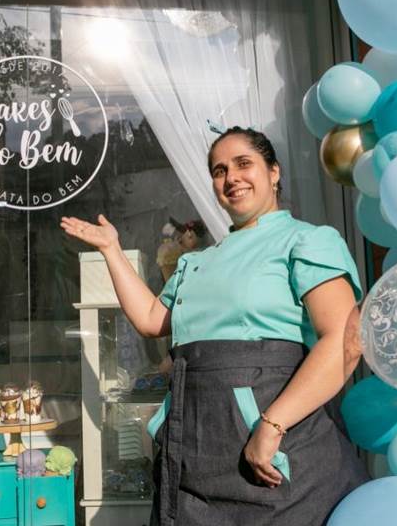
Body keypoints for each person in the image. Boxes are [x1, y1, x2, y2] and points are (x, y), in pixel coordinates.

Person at [61, 126, 368, 525]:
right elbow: (152, 320)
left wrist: (272, 426)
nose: (231, 178)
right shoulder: (196, 261)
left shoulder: (306, 240)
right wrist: (111, 250)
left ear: (274, 172)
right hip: (194, 452)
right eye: (219, 170)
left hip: (275, 448)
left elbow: (344, 342)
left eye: (244, 164)